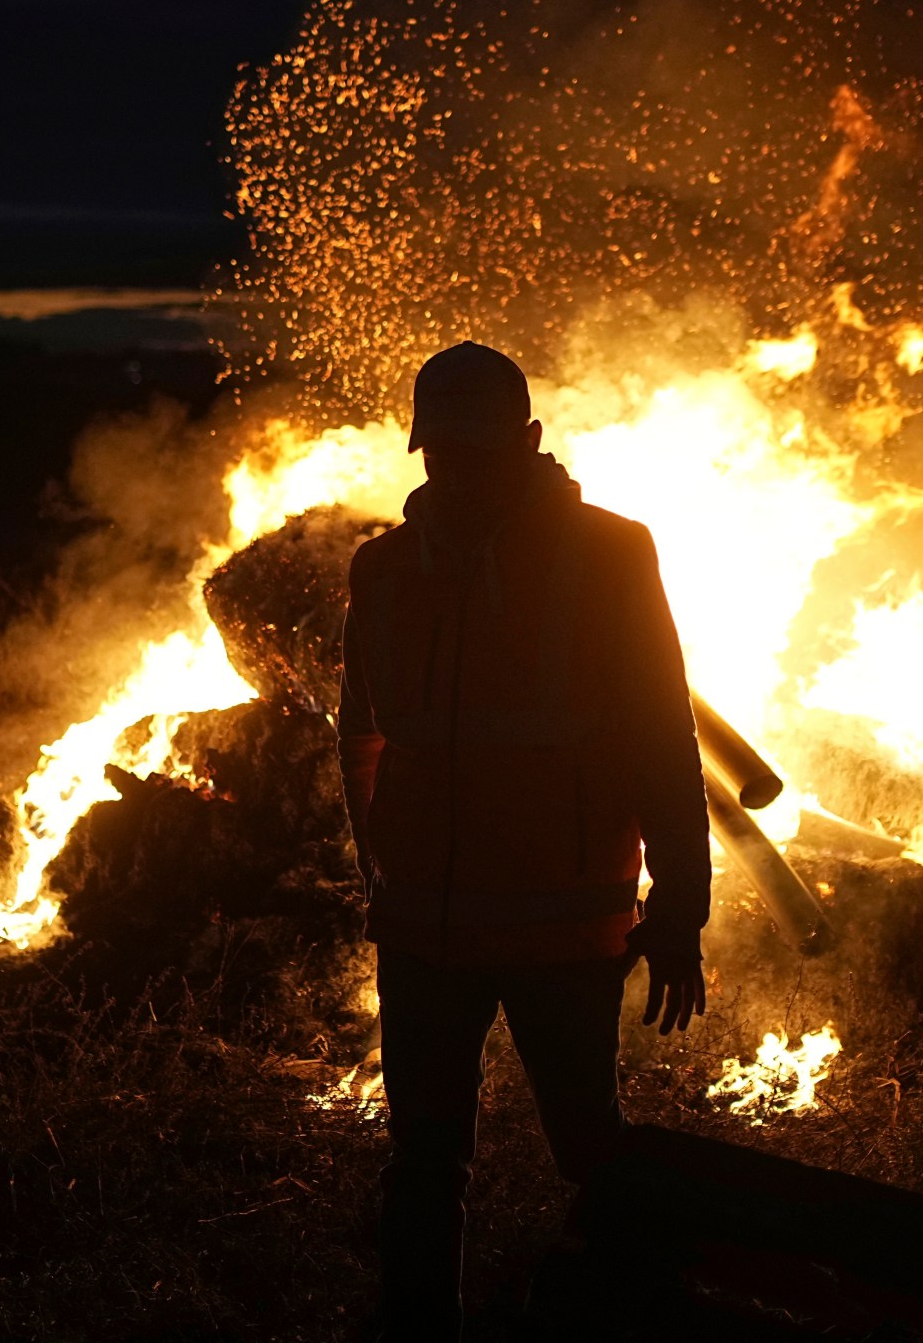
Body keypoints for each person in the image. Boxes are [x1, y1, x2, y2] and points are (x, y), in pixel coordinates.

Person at [336, 340, 711, 1339]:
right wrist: (383, 867)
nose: (455, 475)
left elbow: (656, 731)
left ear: (530, 442)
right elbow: (360, 731)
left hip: (564, 925)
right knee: (423, 1158)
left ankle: (634, 1316)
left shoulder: (610, 552)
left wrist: (680, 904)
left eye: (477, 453)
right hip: (424, 930)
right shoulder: (380, 570)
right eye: (439, 456)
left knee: (590, 1149)